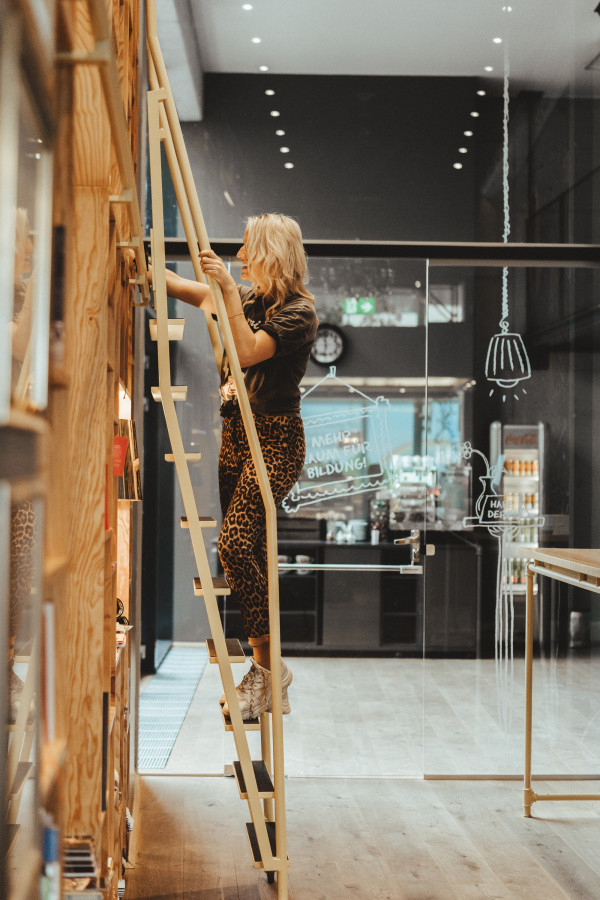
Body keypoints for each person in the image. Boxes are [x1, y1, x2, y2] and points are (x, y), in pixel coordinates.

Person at [153, 213, 318, 719]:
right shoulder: (247, 300)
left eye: (248, 249)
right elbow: (195, 293)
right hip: (237, 436)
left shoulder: (299, 313)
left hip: (275, 439)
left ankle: (269, 673)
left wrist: (223, 284)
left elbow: (246, 352)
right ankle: (269, 675)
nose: (241, 258)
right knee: (247, 555)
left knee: (237, 541)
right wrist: (144, 261)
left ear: (271, 252)